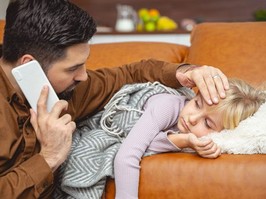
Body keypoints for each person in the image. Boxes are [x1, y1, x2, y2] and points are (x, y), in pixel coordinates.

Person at [0, 0, 229, 198]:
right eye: (73, 68)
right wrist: (48, 158)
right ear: (29, 65)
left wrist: (187, 73)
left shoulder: (69, 90)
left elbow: (130, 74)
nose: (84, 76)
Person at [114, 78, 266, 199]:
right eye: (197, 104)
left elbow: (145, 142)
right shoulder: (166, 107)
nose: (192, 118)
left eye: (207, 123)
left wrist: (183, 140)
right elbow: (128, 154)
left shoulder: (216, 137)